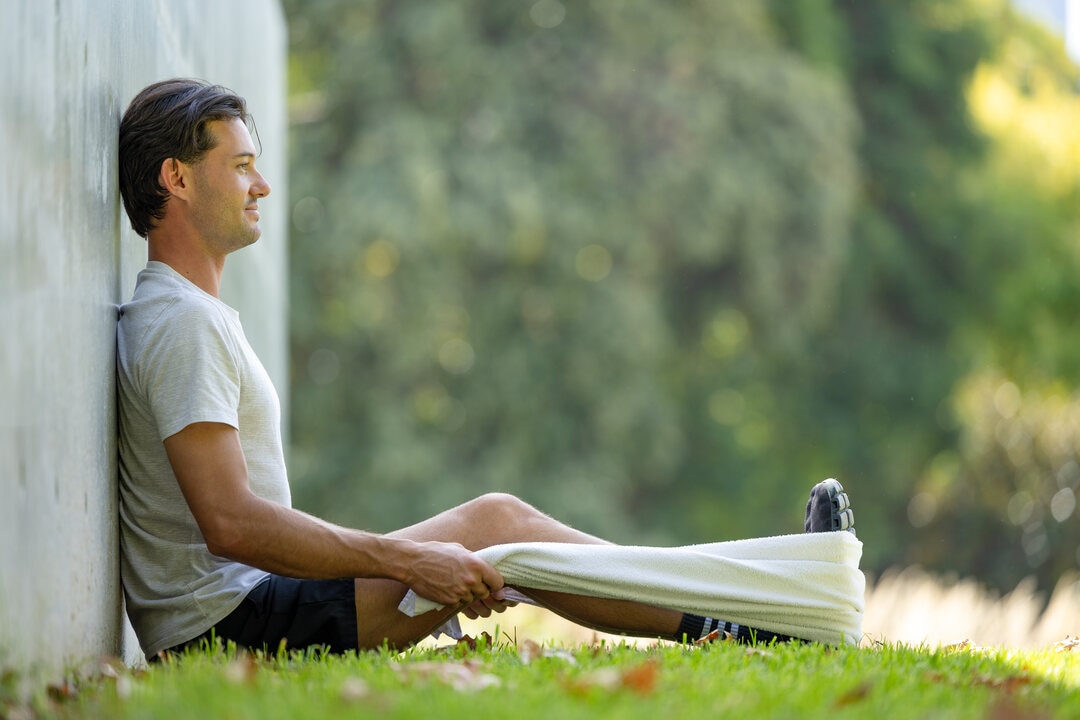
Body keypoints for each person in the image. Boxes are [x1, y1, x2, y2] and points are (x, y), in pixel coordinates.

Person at [116, 78, 859, 660]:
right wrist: (408, 560)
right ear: (176, 179)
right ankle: (752, 615)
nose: (261, 186)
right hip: (227, 630)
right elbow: (231, 523)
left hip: (250, 611)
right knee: (496, 524)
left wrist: (407, 561)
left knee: (500, 528)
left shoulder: (186, 315)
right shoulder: (182, 323)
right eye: (240, 165)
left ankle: (755, 611)